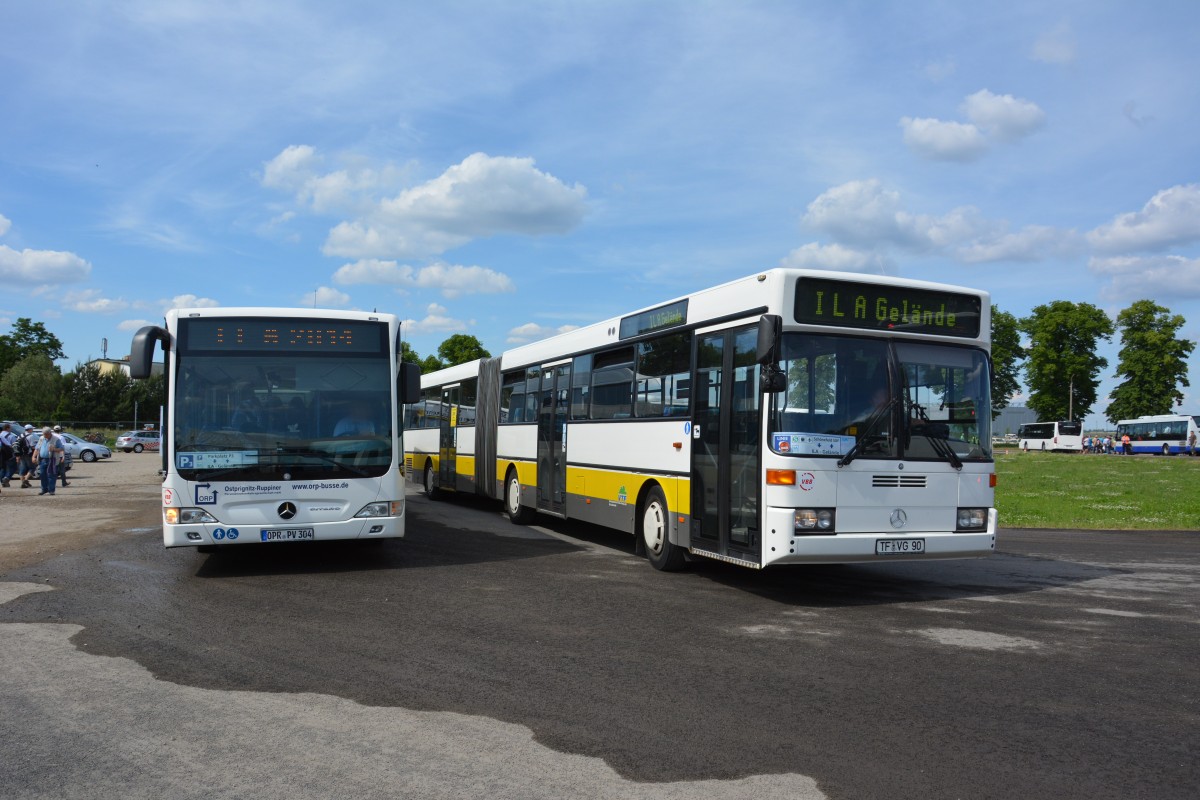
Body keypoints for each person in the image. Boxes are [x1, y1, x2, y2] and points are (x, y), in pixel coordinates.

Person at [32, 426, 64, 496]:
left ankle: (51, 490)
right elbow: (37, 448)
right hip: (42, 459)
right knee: (42, 474)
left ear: (50, 433)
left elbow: (61, 448)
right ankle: (44, 489)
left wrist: (54, 449)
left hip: (52, 459)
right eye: (44, 434)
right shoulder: (41, 438)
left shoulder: (56, 439)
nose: (45, 436)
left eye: (46, 434)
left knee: (51, 475)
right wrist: (34, 456)